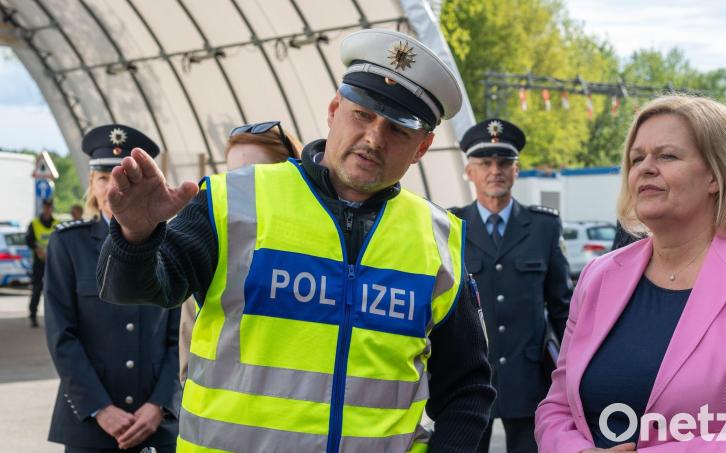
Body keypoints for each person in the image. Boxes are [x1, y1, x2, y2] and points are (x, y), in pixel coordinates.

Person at [97, 29, 495, 452]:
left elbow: (468, 387)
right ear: (334, 109)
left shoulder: (436, 238)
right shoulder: (233, 201)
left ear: (423, 147)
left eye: (398, 130)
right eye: (363, 115)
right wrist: (136, 237)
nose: (374, 138)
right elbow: (135, 289)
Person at [535, 95, 726, 452]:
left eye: (667, 156)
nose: (645, 168)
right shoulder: (598, 276)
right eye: (636, 158)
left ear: (716, 176)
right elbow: (555, 408)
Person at [45, 124, 180, 452]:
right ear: (91, 184)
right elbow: (62, 337)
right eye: (103, 178)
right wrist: (101, 410)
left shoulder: (168, 244)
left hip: (155, 425)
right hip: (92, 426)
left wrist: (160, 404)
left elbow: (178, 338)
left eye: (122, 177)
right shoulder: (68, 244)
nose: (111, 188)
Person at [450, 118, 571, 453]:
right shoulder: (450, 227)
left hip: (529, 377)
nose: (495, 170)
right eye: (484, 163)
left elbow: (562, 307)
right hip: (468, 379)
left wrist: (576, 368)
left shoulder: (543, 227)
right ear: (469, 172)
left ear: (516, 170)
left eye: (504, 163)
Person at [178, 121, 302, 385]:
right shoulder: (213, 249)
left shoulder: (322, 254)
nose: (239, 189)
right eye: (232, 177)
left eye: (255, 176)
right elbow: (191, 358)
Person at [25, 197, 57, 327]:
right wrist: (37, 248)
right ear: (42, 208)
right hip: (39, 262)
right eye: (45, 207)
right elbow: (28, 240)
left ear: (52, 208)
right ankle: (33, 315)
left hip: (54, 262)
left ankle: (56, 318)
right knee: (37, 289)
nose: (47, 209)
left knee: (56, 290)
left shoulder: (57, 223)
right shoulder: (34, 223)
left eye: (49, 207)